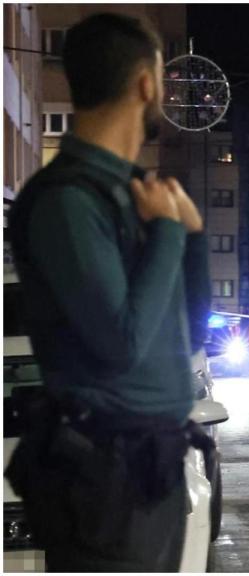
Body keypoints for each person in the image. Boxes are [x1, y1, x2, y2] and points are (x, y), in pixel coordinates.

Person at [4, 13, 212, 571]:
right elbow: (120, 343)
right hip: (104, 480)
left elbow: (189, 327)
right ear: (146, 83)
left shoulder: (135, 195)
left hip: (151, 470)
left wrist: (189, 238)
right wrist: (168, 234)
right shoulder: (68, 201)